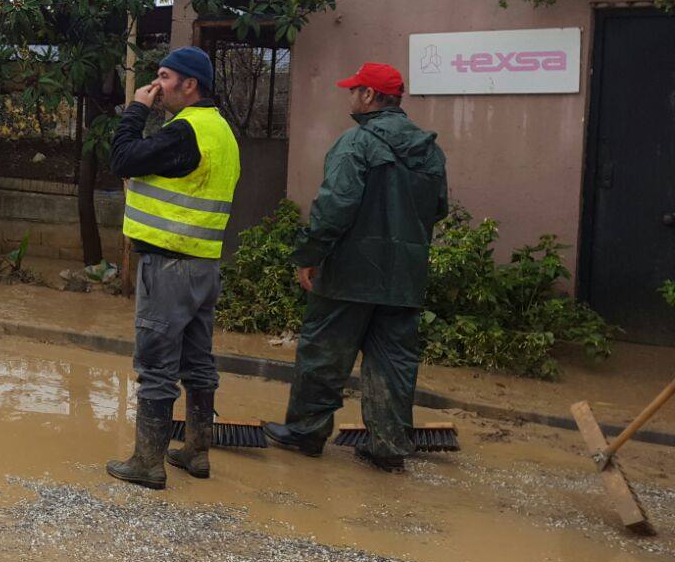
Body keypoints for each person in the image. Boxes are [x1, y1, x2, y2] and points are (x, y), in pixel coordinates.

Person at [262, 62, 448, 472]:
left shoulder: (356, 143)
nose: (350, 96)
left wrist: (309, 255)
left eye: (354, 90)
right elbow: (437, 209)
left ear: (369, 96)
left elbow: (334, 208)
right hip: (404, 279)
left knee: (324, 353)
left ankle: (307, 433)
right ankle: (390, 445)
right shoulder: (430, 150)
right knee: (393, 361)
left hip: (350, 273)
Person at [105, 46, 241, 490]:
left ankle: (148, 462)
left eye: (164, 77)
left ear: (190, 84)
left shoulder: (185, 131)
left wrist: (135, 111)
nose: (156, 85)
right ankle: (197, 451)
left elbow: (123, 159)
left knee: (157, 365)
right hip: (204, 265)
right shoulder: (221, 130)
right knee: (198, 361)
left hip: (169, 265)